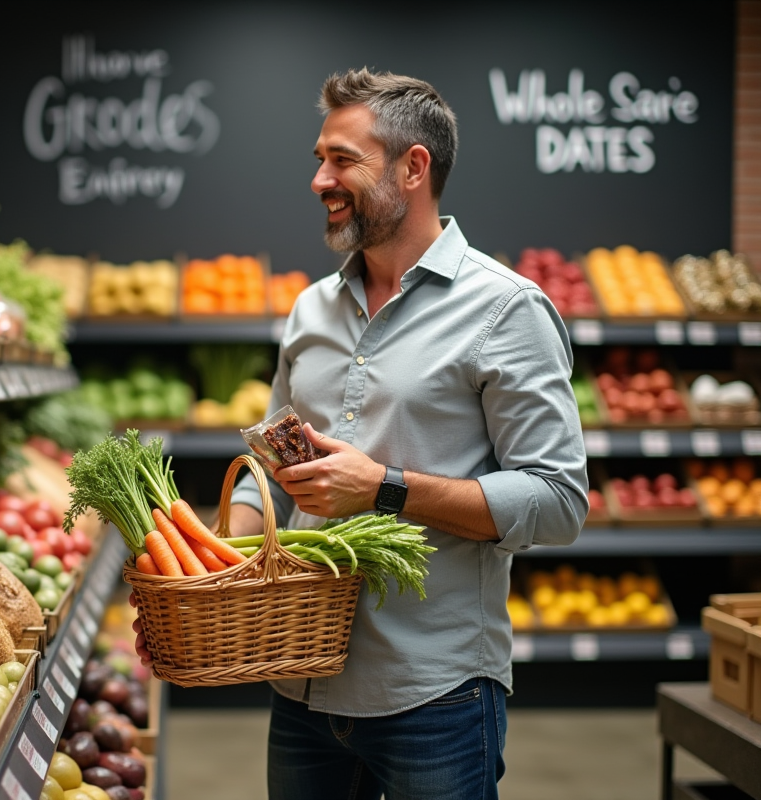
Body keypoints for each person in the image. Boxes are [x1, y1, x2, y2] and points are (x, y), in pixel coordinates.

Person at [133, 68, 588, 799]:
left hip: (434, 691)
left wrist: (385, 489)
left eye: (343, 159)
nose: (319, 179)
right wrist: (213, 567)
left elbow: (559, 501)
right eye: (319, 158)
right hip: (301, 682)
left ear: (414, 168)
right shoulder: (311, 309)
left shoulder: (507, 311)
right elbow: (268, 473)